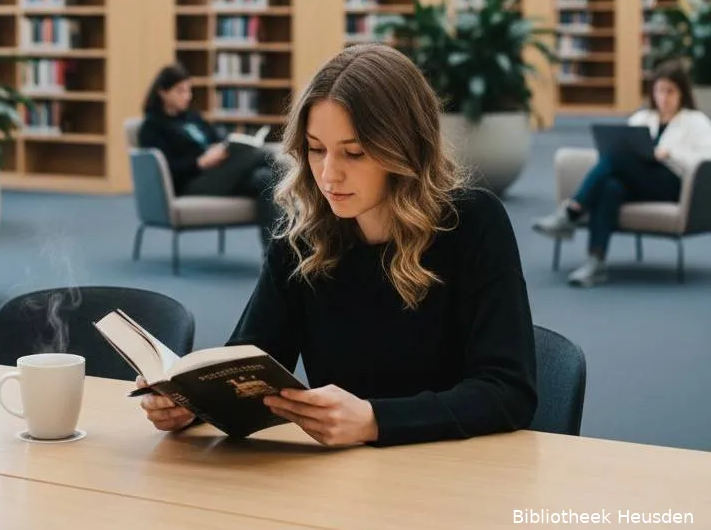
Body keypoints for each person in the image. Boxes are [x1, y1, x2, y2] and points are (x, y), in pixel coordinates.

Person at [138, 44, 538, 448]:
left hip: (455, 475)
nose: (329, 175)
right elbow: (251, 361)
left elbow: (508, 392)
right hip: (342, 482)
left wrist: (377, 420)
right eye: (316, 149)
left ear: (404, 148)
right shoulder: (304, 235)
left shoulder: (472, 222)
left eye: (354, 153)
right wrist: (192, 401)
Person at [533, 61, 711, 288]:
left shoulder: (695, 121)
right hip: (639, 181)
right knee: (611, 187)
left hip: (672, 183)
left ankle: (572, 211)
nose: (663, 98)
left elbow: (706, 161)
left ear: (682, 93)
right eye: (659, 91)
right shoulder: (643, 118)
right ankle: (595, 262)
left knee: (616, 158)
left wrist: (670, 154)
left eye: (670, 91)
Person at [138, 63, 278, 247]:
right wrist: (199, 163)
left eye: (189, 90)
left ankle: (272, 255)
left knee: (265, 177)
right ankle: (276, 160)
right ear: (163, 92)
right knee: (267, 158)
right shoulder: (152, 127)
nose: (187, 96)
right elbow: (164, 169)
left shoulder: (191, 117)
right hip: (193, 181)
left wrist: (220, 148)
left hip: (221, 173)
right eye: (180, 91)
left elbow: (215, 136)